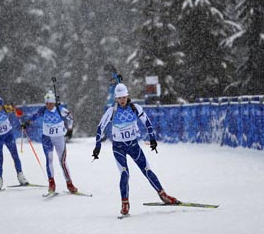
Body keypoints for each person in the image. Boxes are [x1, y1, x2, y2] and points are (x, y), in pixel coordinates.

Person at [92, 83, 179, 216]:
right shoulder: (112, 111)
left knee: (147, 170)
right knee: (125, 174)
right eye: (119, 98)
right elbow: (99, 128)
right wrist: (97, 147)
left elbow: (147, 123)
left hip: (133, 146)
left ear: (127, 96)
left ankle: (163, 195)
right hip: (118, 148)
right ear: (116, 98)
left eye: (124, 97)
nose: (122, 100)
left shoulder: (135, 108)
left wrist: (152, 139)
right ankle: (125, 203)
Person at [23, 90, 77, 194]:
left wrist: (70, 130)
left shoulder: (61, 110)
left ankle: (69, 184)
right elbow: (35, 116)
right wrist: (27, 123)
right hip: (47, 138)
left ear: (54, 102)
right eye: (46, 103)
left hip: (59, 138)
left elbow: (70, 118)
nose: (48, 105)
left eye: (50, 103)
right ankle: (51, 183)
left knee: (63, 162)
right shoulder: (43, 110)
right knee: (49, 160)